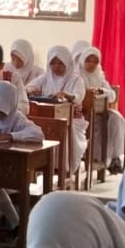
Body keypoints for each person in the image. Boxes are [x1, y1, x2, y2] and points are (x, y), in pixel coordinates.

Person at [0, 81, 44, 230]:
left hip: (8, 173)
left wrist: (10, 136)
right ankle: (15, 225)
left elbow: (38, 134)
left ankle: (6, 225)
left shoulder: (16, 118)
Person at [32, 45, 88, 174]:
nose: (56, 67)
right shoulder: (45, 77)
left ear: (67, 62)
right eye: (53, 63)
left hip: (72, 119)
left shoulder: (76, 79)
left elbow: (79, 96)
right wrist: (31, 89)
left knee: (65, 130)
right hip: (49, 118)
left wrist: (65, 95)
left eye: (60, 63)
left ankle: (63, 168)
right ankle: (43, 165)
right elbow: (30, 86)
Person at [76, 46, 125, 173]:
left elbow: (112, 95)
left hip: (99, 113)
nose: (91, 64)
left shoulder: (99, 76)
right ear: (82, 60)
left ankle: (116, 157)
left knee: (117, 118)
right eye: (88, 61)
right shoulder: (76, 75)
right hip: (82, 114)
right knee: (96, 126)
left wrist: (101, 91)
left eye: (95, 62)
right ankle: (94, 159)